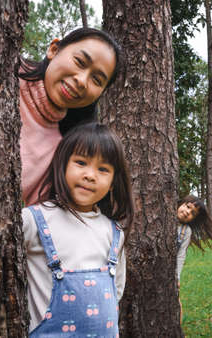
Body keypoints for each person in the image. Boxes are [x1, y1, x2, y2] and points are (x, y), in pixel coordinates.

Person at [22, 122, 134, 336]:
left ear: (112, 183)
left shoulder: (114, 232)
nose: (90, 175)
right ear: (62, 165)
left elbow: (116, 289)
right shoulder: (33, 220)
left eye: (103, 169)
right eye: (81, 162)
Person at [18, 27, 123, 206]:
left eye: (97, 80)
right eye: (80, 61)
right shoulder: (1, 72)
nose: (82, 81)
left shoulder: (61, 151)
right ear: (54, 49)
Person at [176, 195, 212, 323]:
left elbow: (181, 256)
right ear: (181, 203)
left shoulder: (186, 231)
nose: (187, 212)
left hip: (168, 270)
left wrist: (177, 277)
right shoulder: (164, 217)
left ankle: (177, 329)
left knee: (175, 302)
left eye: (192, 213)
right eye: (187, 207)